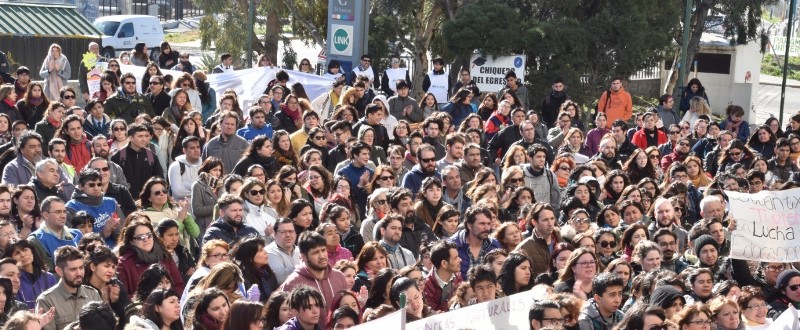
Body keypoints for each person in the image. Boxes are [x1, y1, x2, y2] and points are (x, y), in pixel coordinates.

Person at [116, 215, 184, 297]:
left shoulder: (164, 255)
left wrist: (169, 300)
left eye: (149, 235)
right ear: (131, 241)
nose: (146, 239)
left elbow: (179, 284)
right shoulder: (123, 264)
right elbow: (124, 296)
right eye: (140, 237)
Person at [35, 246, 101, 330]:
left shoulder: (93, 294)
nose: (79, 273)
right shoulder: (47, 300)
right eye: (73, 269)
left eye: (81, 267)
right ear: (59, 271)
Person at [65, 168, 123, 248]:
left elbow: (123, 233)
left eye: (99, 184)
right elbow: (75, 242)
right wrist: (104, 233)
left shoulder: (111, 202)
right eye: (91, 185)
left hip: (116, 250)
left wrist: (116, 229)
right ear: (81, 186)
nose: (96, 188)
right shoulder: (71, 208)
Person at [109, 123, 163, 199]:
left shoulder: (152, 156)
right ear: (131, 138)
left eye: (145, 136)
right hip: (126, 200)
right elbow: (113, 182)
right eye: (140, 136)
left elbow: (159, 178)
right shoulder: (118, 157)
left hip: (148, 200)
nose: (144, 139)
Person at [83, 245, 130, 322]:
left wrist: (115, 302)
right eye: (106, 266)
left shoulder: (116, 285)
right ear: (93, 267)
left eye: (113, 267)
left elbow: (127, 316)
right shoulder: (84, 290)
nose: (111, 271)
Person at [268, 218, 301, 284]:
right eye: (283, 232)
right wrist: (306, 268)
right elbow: (280, 278)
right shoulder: (269, 252)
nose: (288, 235)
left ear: (296, 234)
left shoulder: (300, 250)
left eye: (291, 231)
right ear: (274, 234)